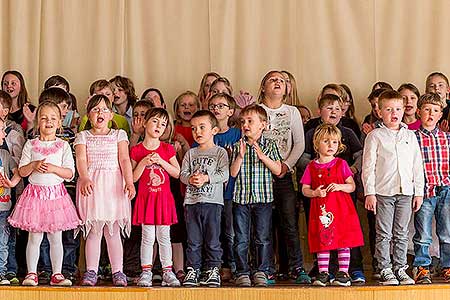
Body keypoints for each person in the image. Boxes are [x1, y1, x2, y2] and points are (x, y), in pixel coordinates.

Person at [8, 101, 80, 286]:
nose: (48, 122)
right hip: (35, 197)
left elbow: (70, 174)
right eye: (44, 118)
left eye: (53, 119)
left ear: (59, 123)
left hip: (56, 197)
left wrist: (55, 168)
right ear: (38, 122)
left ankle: (57, 274)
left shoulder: (63, 146)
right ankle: (31, 273)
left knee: (56, 238)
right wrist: (33, 166)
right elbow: (22, 171)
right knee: (35, 237)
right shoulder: (31, 145)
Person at [299, 93, 364, 284]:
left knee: (343, 240)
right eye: (326, 142)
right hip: (322, 211)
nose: (330, 145)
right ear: (316, 144)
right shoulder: (312, 166)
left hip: (342, 210)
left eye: (334, 142)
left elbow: (351, 186)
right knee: (323, 240)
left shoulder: (341, 164)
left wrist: (341, 186)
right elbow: (304, 189)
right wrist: (315, 193)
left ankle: (343, 272)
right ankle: (323, 272)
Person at [363, 89, 424, 285]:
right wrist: (370, 193)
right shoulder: (375, 136)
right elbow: (368, 167)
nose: (394, 113)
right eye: (388, 109)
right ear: (380, 112)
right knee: (384, 233)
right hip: (383, 192)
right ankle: (385, 268)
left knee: (402, 233)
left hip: (406, 192)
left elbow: (417, 166)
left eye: (397, 109)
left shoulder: (410, 136)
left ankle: (400, 267)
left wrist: (419, 192)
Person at [75, 95, 135, 286]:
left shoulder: (119, 135)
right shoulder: (83, 136)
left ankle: (118, 271)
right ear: (88, 116)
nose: (100, 113)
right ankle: (91, 271)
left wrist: (129, 181)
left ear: (111, 115)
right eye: (95, 109)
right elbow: (81, 160)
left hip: (113, 187)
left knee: (113, 231)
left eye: (104, 109)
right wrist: (84, 177)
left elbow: (125, 159)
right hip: (92, 186)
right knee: (93, 231)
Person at [258, 70, 310, 284]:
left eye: (282, 80)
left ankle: (297, 267)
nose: (278, 82)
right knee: (264, 225)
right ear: (263, 87)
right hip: (259, 177)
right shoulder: (256, 110)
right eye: (272, 79)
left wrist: (285, 166)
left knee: (289, 223)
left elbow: (299, 143)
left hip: (284, 175)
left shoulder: (292, 112)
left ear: (287, 88)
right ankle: (267, 268)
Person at [230, 104, 282, 287]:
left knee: (262, 237)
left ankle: (262, 270)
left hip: (263, 199)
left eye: (250, 121)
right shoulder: (237, 146)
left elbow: (278, 170)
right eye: (242, 121)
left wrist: (263, 157)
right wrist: (240, 157)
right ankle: (242, 271)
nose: (245, 124)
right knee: (241, 237)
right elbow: (233, 173)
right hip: (241, 199)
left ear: (263, 124)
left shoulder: (270, 145)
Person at [131, 108, 181, 287]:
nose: (159, 126)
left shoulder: (167, 149)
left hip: (163, 200)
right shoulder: (137, 150)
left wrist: (161, 161)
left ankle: (168, 271)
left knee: (164, 237)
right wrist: (144, 162)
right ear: (144, 122)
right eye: (155, 121)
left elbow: (177, 173)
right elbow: (133, 178)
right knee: (147, 237)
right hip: (146, 200)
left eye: (163, 124)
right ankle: (146, 272)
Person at [180, 110, 229, 287]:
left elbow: (225, 174)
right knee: (193, 240)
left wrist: (207, 178)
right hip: (192, 203)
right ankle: (193, 270)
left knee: (213, 239)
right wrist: (190, 179)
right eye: (194, 128)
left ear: (214, 130)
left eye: (202, 127)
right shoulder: (190, 154)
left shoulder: (220, 152)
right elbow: (182, 174)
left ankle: (213, 270)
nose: (197, 132)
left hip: (213, 203)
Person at [412, 93, 450, 284]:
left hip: (445, 189)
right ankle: (422, 267)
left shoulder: (446, 138)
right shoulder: (412, 138)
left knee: (446, 231)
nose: (430, 114)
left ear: (441, 114)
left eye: (435, 110)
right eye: (426, 109)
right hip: (425, 191)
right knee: (424, 233)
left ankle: (447, 266)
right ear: (419, 112)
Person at [207, 93, 241, 281]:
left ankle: (230, 265)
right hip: (211, 193)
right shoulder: (205, 133)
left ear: (230, 111)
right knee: (213, 231)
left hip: (231, 192)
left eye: (221, 106)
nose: (216, 109)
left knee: (230, 232)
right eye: (212, 106)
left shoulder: (236, 134)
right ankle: (214, 266)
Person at [0, 117, 21, 285]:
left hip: (3, 205)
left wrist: (11, 182)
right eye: (1, 130)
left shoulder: (5, 154)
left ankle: (3, 271)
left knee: (4, 241)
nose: (3, 134)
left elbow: (18, 171)